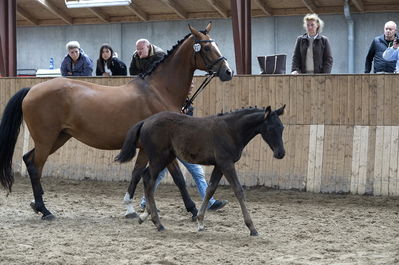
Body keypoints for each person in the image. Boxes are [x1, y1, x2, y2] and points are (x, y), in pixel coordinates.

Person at [139, 81, 228, 211]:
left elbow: (187, 125)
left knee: (190, 173)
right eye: (190, 83)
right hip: (172, 146)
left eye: (192, 84)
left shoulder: (188, 105)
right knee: (171, 174)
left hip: (182, 145)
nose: (192, 85)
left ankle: (144, 201)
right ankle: (145, 201)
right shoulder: (171, 103)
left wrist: (184, 114)